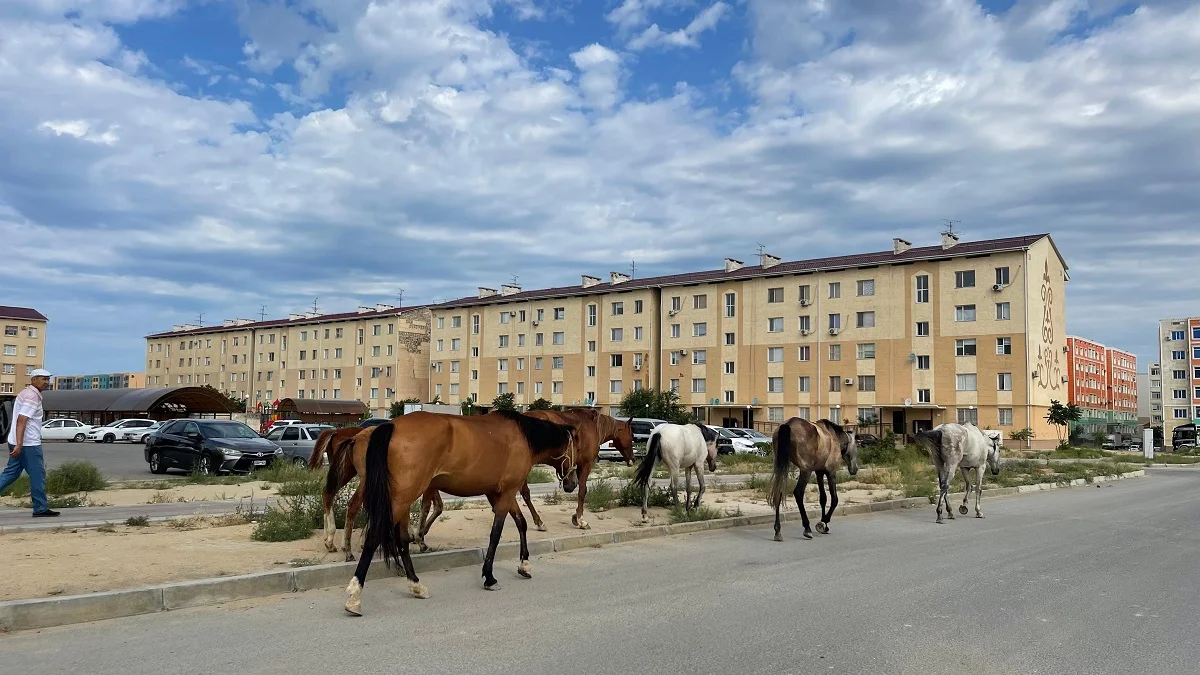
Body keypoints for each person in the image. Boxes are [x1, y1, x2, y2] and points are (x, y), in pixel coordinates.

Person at [1, 369, 59, 517]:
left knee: (11, 473)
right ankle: (40, 508)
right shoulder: (32, 397)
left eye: (48, 379)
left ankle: (40, 507)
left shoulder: (26, 393)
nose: (46, 382)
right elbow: (22, 420)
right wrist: (20, 444)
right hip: (28, 444)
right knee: (38, 475)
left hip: (17, 441)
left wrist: (17, 443)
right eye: (43, 379)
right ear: (33, 380)